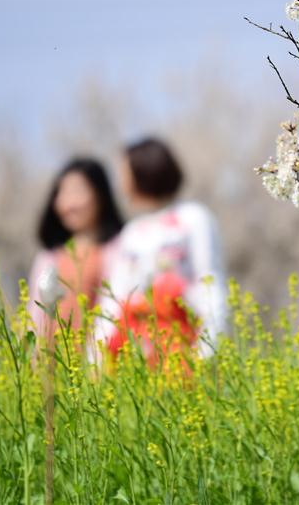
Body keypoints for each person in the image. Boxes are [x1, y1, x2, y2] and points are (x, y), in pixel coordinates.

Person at [96, 137, 228, 370]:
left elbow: (208, 281)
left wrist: (209, 349)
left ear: (144, 171)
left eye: (124, 173)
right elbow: (114, 296)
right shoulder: (132, 233)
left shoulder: (193, 218)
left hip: (184, 343)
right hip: (136, 352)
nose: (121, 184)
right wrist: (96, 356)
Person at [28, 157, 124, 349]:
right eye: (61, 193)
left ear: (100, 195)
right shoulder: (49, 258)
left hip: (104, 365)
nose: (68, 203)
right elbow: (35, 317)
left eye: (77, 192)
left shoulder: (120, 250)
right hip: (54, 368)